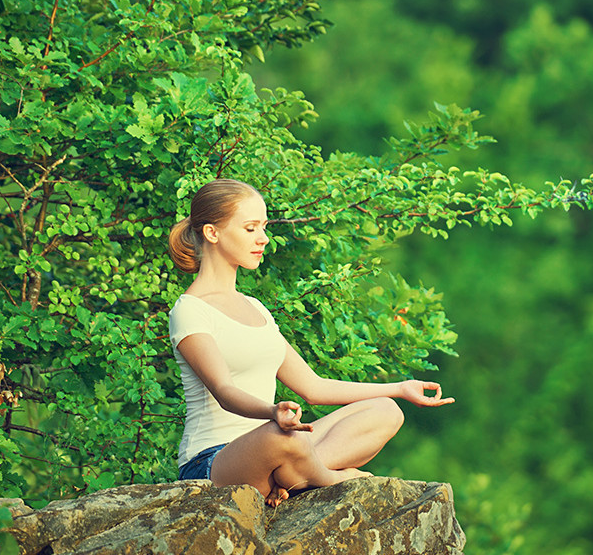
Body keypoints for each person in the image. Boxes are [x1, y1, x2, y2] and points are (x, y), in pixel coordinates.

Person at [167, 178, 454, 507]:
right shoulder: (190, 310)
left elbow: (313, 387)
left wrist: (400, 388)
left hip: (279, 447)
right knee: (281, 438)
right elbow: (224, 391)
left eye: (263, 227)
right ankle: (325, 477)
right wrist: (272, 412)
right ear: (212, 233)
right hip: (214, 462)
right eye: (250, 229)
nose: (263, 239)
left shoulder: (256, 308)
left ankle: (293, 475)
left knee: (385, 410)